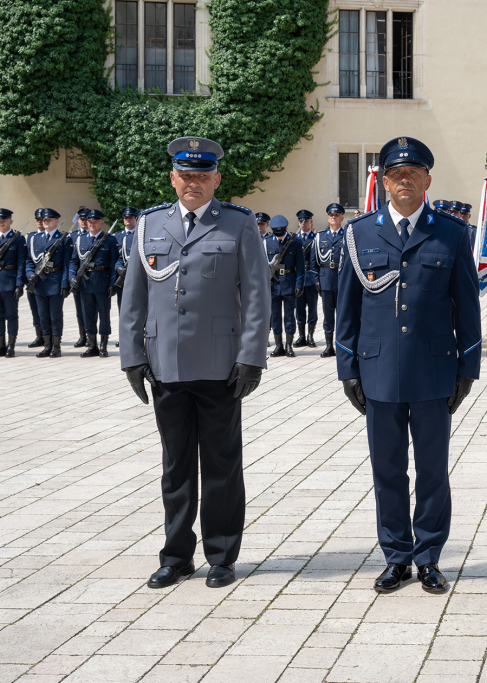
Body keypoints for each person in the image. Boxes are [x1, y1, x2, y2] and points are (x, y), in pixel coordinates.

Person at [119, 136, 270, 589]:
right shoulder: (150, 225)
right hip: (165, 364)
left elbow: (258, 296)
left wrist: (252, 357)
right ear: (173, 178)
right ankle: (176, 555)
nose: (193, 183)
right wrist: (132, 357)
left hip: (221, 367)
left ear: (216, 179)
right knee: (175, 465)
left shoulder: (239, 225)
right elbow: (134, 296)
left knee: (222, 465)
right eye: (185, 176)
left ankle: (222, 555)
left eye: (202, 176)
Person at [336, 136, 481, 594]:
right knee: (387, 469)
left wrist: (467, 368)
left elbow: (467, 307)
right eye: (396, 173)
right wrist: (348, 368)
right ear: (383, 181)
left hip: (434, 370)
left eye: (413, 173)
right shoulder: (359, 234)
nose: (405, 180)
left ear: (427, 180)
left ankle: (430, 557)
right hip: (378, 371)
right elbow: (346, 309)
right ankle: (396, 556)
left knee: (433, 470)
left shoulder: (452, 234)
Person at [69, 208, 120, 358]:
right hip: (85, 284)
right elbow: (74, 261)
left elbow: (114, 264)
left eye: (95, 221)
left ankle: (103, 345)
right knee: (88, 315)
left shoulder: (109, 240)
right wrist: (72, 276)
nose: (91, 224)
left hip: (102, 283)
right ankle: (92, 345)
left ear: (101, 222)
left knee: (104, 315)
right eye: (89, 221)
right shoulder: (80, 240)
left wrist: (112, 284)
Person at [25, 207, 72, 358]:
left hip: (55, 282)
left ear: (56, 221)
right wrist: (30, 273)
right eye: (44, 220)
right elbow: (29, 261)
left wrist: (65, 283)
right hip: (39, 283)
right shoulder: (35, 239)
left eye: (49, 220)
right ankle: (47, 346)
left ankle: (56, 347)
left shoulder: (64, 238)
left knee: (55, 316)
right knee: (43, 316)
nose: (45, 222)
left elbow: (67, 263)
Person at [265, 215, 304, 357]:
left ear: (287, 228)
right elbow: (263, 265)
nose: (280, 237)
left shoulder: (295, 242)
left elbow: (300, 267)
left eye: (281, 234)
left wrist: (299, 284)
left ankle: (289, 345)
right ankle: (278, 345)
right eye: (277, 234)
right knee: (275, 316)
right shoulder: (267, 242)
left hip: (289, 283)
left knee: (289, 316)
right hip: (273, 285)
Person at [314, 203, 345, 357]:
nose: (334, 217)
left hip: (341, 281)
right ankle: (328, 346)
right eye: (331, 215)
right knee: (328, 316)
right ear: (328, 217)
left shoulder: (347, 235)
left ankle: (341, 345)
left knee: (342, 315)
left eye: (337, 215)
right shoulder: (320, 236)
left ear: (342, 217)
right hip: (325, 280)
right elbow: (313, 262)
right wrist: (316, 280)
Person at [0, 208, 25, 357]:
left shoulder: (18, 239)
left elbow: (21, 263)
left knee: (11, 315)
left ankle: (11, 346)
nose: (1, 222)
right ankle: (0, 345)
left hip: (10, 283)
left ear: (10, 221)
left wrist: (19, 284)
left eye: (4, 220)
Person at [112, 206, 140, 347]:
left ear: (135, 218)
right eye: (125, 217)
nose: (127, 220)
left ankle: (137, 337)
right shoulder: (117, 236)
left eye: (130, 217)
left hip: (137, 279)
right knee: (122, 309)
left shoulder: (141, 234)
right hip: (122, 279)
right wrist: (118, 268)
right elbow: (114, 257)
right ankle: (124, 337)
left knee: (138, 309)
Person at [293, 209, 319, 348]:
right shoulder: (294, 239)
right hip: (299, 279)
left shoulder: (316, 239)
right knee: (299, 309)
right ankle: (301, 335)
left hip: (311, 277)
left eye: (306, 220)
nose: (303, 223)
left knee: (313, 308)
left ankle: (310, 336)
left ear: (311, 222)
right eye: (300, 221)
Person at [24, 208, 46, 349]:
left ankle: (49, 336)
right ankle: (39, 336)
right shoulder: (30, 237)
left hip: (47, 280)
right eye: (37, 219)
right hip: (32, 279)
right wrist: (28, 275)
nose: (39, 222)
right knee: (34, 309)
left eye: (42, 219)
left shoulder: (55, 237)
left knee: (47, 311)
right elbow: (26, 259)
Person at [71, 209, 90, 348]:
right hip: (77, 279)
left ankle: (91, 336)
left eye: (86, 219)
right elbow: (70, 259)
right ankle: (82, 335)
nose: (83, 222)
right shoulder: (72, 237)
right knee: (79, 309)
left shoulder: (94, 236)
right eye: (81, 219)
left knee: (91, 310)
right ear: (78, 220)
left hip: (90, 279)